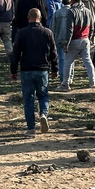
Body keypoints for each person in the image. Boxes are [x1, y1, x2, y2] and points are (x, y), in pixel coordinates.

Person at [10, 8, 58, 137]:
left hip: (26, 69)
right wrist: (55, 69)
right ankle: (43, 113)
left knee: (28, 99)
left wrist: (13, 70)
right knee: (43, 95)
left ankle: (31, 128)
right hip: (43, 69)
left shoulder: (22, 33)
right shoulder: (48, 32)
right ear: (40, 18)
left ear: (28, 18)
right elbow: (53, 52)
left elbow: (16, 53)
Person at [62, 0, 95, 90]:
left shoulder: (71, 11)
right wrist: (89, 39)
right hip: (85, 39)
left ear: (72, 0)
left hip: (74, 40)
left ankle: (65, 84)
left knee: (68, 62)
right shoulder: (88, 11)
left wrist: (66, 43)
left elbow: (70, 29)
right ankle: (92, 82)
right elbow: (92, 27)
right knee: (88, 62)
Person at [50, 0, 73, 89]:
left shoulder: (57, 12)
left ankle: (63, 78)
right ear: (70, 2)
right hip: (70, 39)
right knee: (71, 59)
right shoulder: (73, 12)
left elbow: (52, 27)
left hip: (59, 38)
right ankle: (70, 77)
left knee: (62, 59)